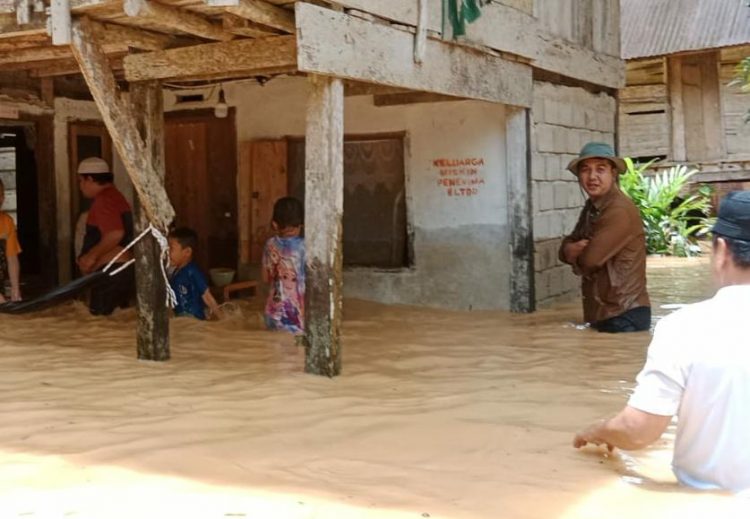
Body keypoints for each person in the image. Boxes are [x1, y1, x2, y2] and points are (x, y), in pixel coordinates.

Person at [573, 191, 750, 493]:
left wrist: (599, 429)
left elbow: (637, 431)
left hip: (703, 503)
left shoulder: (686, 327)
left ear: (721, 251)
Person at [559, 142, 651, 332]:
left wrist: (576, 252)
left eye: (600, 169)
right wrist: (568, 249)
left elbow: (589, 261)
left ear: (613, 173)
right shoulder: (592, 207)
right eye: (585, 170)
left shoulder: (619, 210)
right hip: (607, 315)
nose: (592, 177)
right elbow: (568, 244)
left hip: (624, 316)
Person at [76, 157, 134, 315]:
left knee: (100, 321)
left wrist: (91, 257)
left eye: (81, 181)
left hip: (111, 271)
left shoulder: (104, 200)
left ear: (89, 179)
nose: (80, 187)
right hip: (121, 270)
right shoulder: (117, 196)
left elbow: (115, 233)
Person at [262, 197, 305, 334]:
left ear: (275, 224)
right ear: (301, 224)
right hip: (298, 315)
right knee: (296, 352)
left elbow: (265, 277)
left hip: (273, 313)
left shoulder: (270, 245)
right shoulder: (306, 247)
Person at [167, 227, 220, 320]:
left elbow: (207, 296)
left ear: (187, 252)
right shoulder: (175, 272)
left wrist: (221, 317)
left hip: (193, 319)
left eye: (171, 248)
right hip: (181, 319)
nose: (167, 252)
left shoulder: (193, 272)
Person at [0, 179, 21, 303]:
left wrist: (15, 288)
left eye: (1, 195)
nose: (0, 200)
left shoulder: (7, 222)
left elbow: (12, 258)